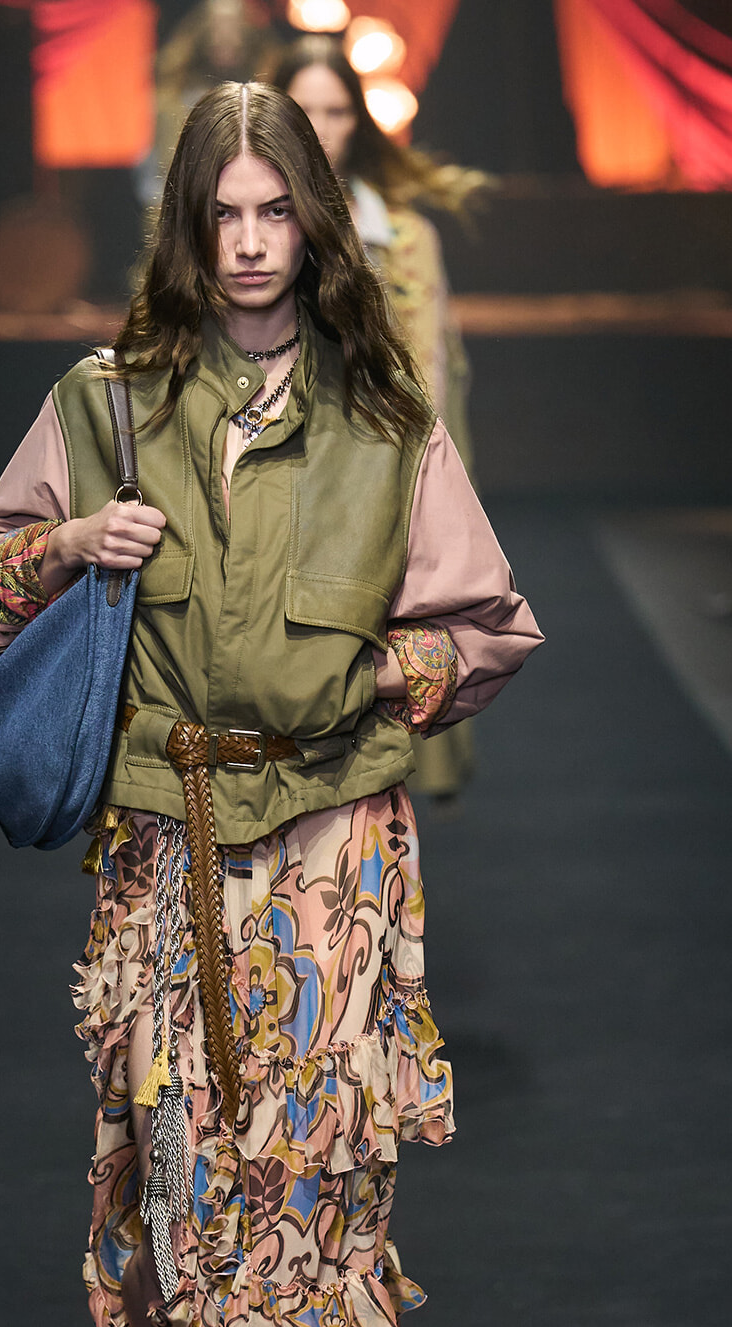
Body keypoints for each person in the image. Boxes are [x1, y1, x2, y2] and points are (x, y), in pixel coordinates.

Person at [0, 81, 542, 1327]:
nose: (259, 246)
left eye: (283, 213)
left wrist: (395, 669)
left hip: (338, 867)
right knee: (190, 1227)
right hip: (168, 854)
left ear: (320, 225)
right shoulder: (107, 401)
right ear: (190, 232)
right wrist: (73, 541)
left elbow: (491, 622)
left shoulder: (380, 411)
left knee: (322, 1225)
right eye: (229, 217)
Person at [274, 33, 492, 806]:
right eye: (306, 111)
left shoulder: (403, 239)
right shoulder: (243, 235)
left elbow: (432, 386)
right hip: (276, 494)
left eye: (337, 111)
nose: (323, 129)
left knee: (381, 709)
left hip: (385, 488)